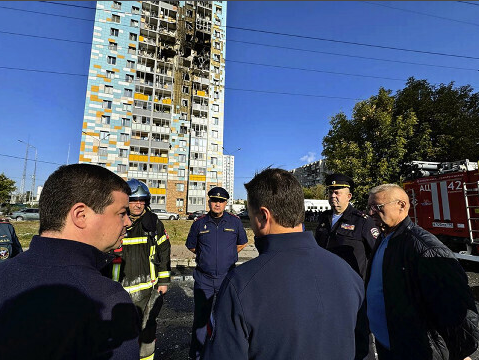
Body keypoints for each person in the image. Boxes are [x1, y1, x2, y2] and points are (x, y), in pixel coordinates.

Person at [203, 168, 369, 360]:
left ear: (264, 217)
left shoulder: (240, 284)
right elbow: (362, 350)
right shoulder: (348, 274)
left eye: (250, 215)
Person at [0, 163, 139, 359]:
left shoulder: (4, 273)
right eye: (122, 213)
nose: (128, 222)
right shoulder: (104, 298)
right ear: (80, 215)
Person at [366, 183, 478, 360]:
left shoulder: (424, 248)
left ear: (402, 205)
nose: (371, 213)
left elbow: (456, 305)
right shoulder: (384, 237)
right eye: (369, 207)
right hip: (389, 345)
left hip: (416, 350)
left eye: (377, 207)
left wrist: (462, 352)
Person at [105, 178, 171, 360]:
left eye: (142, 200)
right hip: (118, 290)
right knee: (119, 333)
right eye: (134, 200)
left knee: (147, 331)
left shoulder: (153, 223)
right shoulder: (115, 222)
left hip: (148, 289)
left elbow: (164, 250)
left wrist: (164, 281)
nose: (139, 204)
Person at [186, 186, 248, 359]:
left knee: (226, 319)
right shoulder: (199, 223)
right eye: (214, 200)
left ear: (226, 203)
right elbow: (191, 245)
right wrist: (206, 256)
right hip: (204, 279)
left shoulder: (235, 222)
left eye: (221, 201)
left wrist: (229, 255)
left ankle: (222, 353)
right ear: (209, 202)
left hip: (226, 278)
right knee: (200, 319)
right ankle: (197, 354)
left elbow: (242, 242)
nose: (217, 204)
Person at [315, 173, 379, 278]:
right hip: (326, 278)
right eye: (330, 192)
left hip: (351, 282)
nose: (332, 196)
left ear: (349, 196)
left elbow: (376, 253)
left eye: (337, 193)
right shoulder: (324, 218)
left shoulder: (362, 221)